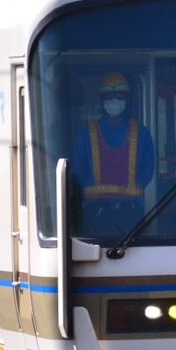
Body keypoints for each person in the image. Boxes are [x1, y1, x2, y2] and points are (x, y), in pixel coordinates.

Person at [71, 72, 156, 236]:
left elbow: (148, 168)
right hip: (96, 214)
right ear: (102, 101)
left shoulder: (141, 133)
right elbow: (78, 171)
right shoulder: (86, 134)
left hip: (130, 214)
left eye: (119, 96)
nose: (114, 101)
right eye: (109, 97)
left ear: (127, 99)